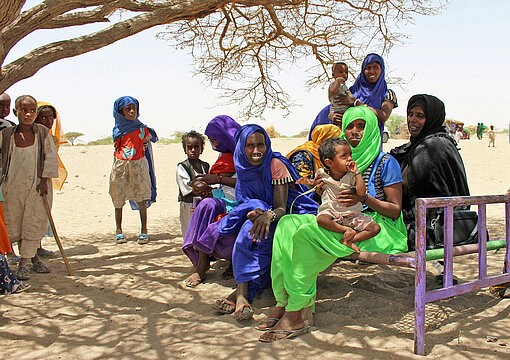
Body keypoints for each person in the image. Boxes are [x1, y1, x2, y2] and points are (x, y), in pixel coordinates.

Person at [258, 106, 407, 342]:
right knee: (287, 224)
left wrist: (364, 198)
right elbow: (330, 200)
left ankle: (296, 312)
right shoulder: (339, 161)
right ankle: (283, 301)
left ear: (372, 129)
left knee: (306, 233)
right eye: (350, 126)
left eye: (361, 126)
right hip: (343, 217)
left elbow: (395, 210)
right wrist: (320, 189)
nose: (355, 132)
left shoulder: (385, 162)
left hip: (376, 226)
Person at [213, 124, 318, 322]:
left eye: (260, 145)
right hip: (259, 213)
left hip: (287, 213)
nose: (256, 151)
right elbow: (245, 200)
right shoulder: (242, 166)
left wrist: (267, 215)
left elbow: (281, 206)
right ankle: (242, 294)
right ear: (241, 148)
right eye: (250, 145)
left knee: (253, 235)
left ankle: (241, 295)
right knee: (247, 232)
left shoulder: (275, 164)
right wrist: (254, 211)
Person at [390, 94, 470, 251]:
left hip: (433, 227)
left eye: (420, 116)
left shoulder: (432, 147)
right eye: (410, 114)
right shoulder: (430, 142)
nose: (412, 120)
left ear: (433, 118)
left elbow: (408, 184)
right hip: (441, 220)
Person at [0, 95, 58, 281]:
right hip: (12, 187)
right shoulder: (6, 135)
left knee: (33, 222)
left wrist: (44, 179)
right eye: (24, 110)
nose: (28, 114)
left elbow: (50, 157)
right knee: (14, 222)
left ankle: (24, 264)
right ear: (16, 112)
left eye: (33, 111)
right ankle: (30, 259)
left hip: (37, 187)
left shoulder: (42, 133)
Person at [182, 115, 240, 287]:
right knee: (206, 204)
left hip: (246, 201)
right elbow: (225, 191)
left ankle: (232, 262)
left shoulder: (246, 154)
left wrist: (218, 180)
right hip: (227, 199)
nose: (214, 145)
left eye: (215, 140)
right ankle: (202, 263)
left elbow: (248, 182)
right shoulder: (224, 156)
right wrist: (210, 190)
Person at [309, 54, 397, 143]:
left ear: (381, 70)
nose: (372, 71)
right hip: (348, 143)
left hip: (371, 144)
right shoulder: (352, 91)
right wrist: (331, 116)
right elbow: (335, 105)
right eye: (368, 68)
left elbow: (383, 116)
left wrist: (356, 102)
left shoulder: (387, 94)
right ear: (363, 70)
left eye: (376, 67)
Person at [315, 138, 380, 252]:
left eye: (350, 154)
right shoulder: (322, 174)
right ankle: (345, 230)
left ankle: (349, 240)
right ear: (329, 163)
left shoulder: (351, 175)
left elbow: (361, 193)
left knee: (375, 228)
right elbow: (314, 185)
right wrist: (310, 183)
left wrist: (357, 173)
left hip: (352, 214)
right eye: (344, 156)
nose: (350, 158)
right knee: (322, 219)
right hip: (332, 212)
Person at [109, 96, 158, 245]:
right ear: (120, 112)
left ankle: (144, 231)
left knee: (141, 197)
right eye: (127, 109)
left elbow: (151, 139)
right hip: (121, 167)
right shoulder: (118, 130)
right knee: (118, 198)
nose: (131, 112)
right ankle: (118, 230)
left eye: (134, 109)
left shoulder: (142, 129)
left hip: (139, 166)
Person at [35, 102, 68, 256]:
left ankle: (37, 246)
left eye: (51, 118)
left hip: (45, 180)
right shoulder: (30, 136)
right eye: (44, 117)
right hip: (31, 179)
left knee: (41, 212)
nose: (48, 121)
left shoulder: (51, 138)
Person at [176, 130, 210, 238]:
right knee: (189, 232)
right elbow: (186, 188)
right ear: (185, 149)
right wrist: (201, 188)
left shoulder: (205, 166)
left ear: (202, 149)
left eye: (196, 147)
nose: (193, 150)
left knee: (201, 231)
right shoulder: (182, 167)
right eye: (190, 147)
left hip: (202, 203)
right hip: (188, 204)